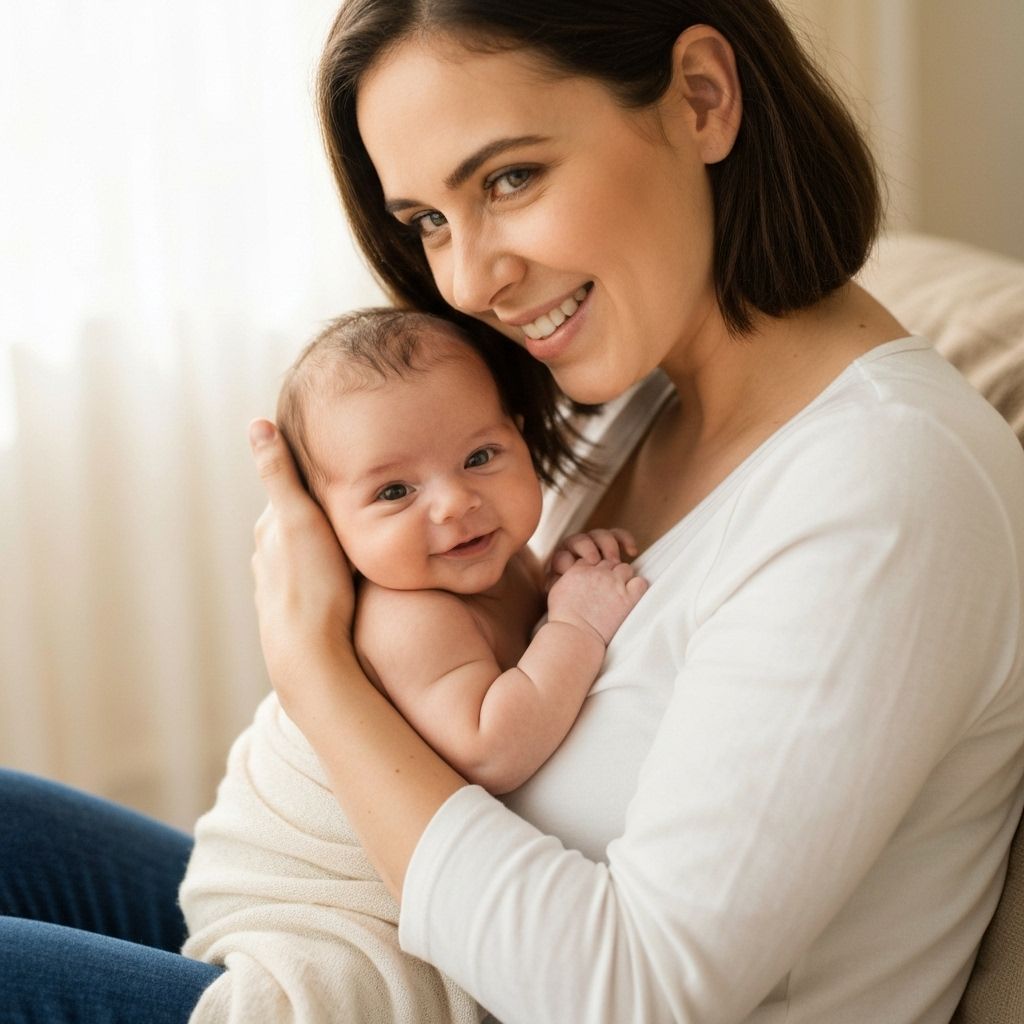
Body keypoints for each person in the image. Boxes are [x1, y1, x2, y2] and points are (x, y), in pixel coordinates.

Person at [2, 2, 1022, 1022]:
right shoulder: (633, 396)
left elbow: (635, 994)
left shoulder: (887, 490)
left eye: (509, 178)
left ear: (702, 100)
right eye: (427, 222)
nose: (467, 278)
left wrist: (313, 666)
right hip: (398, 961)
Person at [176, 306, 646, 1022]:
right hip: (304, 898)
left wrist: (560, 581)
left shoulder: (496, 559)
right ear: (325, 525)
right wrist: (578, 624)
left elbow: (513, 641)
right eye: (395, 491)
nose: (457, 502)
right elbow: (491, 747)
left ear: (521, 438)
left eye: (480, 457)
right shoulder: (406, 615)